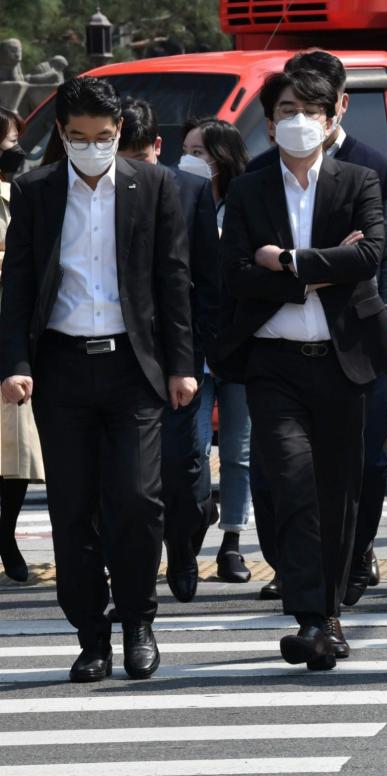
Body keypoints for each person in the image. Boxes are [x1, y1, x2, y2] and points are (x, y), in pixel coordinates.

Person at [1, 76, 197, 682]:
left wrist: (182, 365)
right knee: (72, 506)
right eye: (80, 137)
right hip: (60, 368)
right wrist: (15, 363)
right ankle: (92, 634)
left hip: (132, 366)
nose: (93, 146)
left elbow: (172, 281)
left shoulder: (153, 186)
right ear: (61, 133)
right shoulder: (36, 191)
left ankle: (139, 619)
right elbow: (18, 288)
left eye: (105, 137)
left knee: (138, 500)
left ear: (120, 135)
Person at [214, 69, 387, 670]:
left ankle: (327, 615)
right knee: (291, 484)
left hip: (343, 362)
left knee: (339, 492)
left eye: (312, 109)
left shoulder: (359, 179)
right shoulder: (249, 189)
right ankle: (311, 616)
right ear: (270, 123)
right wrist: (321, 269)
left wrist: (288, 262)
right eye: (289, 109)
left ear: (332, 118)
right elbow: (237, 274)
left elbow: (370, 256)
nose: (301, 119)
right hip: (275, 365)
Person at [116, 98, 221, 603]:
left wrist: (198, 352)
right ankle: (136, 571)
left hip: (181, 358)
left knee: (186, 467)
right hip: (122, 357)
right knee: (131, 477)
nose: (133, 166)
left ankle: (184, 544)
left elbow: (207, 277)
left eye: (142, 154)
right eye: (125, 155)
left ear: (160, 146)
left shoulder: (192, 190)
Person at [182, 116, 254, 583]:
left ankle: (232, 542)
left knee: (239, 449)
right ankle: (190, 532)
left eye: (201, 151)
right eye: (186, 150)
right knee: (189, 449)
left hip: (240, 341)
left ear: (223, 157)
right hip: (191, 346)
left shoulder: (247, 201)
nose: (191, 160)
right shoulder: (175, 199)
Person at [0, 106, 42, 583]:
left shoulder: (25, 193)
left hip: (15, 330)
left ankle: (6, 531)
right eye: (7, 143)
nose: (14, 151)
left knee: (16, 451)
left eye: (17, 141)